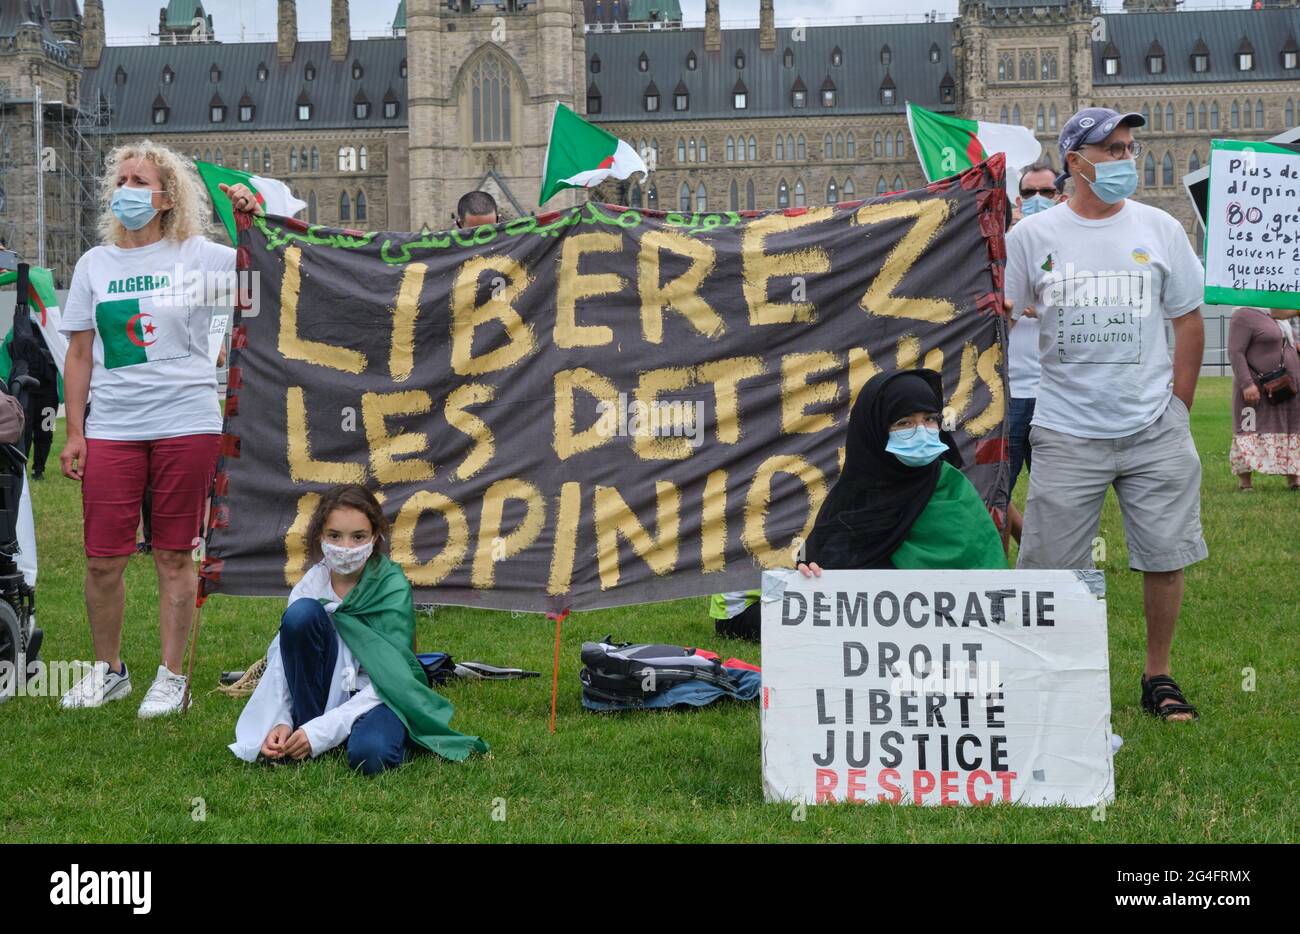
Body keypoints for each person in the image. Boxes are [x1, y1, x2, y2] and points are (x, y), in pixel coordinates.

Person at [1004, 107, 1206, 722]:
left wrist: (1179, 405)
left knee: (1163, 556)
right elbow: (1002, 315)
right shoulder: (1031, 238)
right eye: (1113, 150)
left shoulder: (1160, 227)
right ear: (1076, 162)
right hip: (1066, 429)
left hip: (1153, 425)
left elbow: (1189, 319)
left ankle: (1158, 677)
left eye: (1128, 148)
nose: (1126, 160)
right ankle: (1042, 675)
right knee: (1046, 564)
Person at [56, 141, 237, 716]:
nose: (127, 190)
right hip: (113, 427)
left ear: (166, 198)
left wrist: (245, 211)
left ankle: (172, 675)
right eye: (122, 179)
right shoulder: (94, 265)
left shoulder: (200, 257)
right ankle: (110, 670)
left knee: (173, 555)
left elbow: (270, 266)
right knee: (101, 559)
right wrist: (76, 432)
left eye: (141, 181)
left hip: (186, 421)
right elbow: (80, 354)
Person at [229, 484, 488, 774]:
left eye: (359, 537)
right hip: (322, 694)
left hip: (379, 694)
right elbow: (283, 661)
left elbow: (393, 678)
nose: (346, 548)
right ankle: (304, 727)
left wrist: (322, 732)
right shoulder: (311, 584)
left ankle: (330, 735)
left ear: (375, 537)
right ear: (320, 536)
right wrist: (281, 720)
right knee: (300, 615)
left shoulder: (391, 587)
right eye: (335, 536)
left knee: (372, 756)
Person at [797, 368, 1006, 577]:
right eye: (904, 423)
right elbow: (816, 569)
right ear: (875, 430)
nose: (921, 431)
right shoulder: (852, 503)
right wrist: (809, 571)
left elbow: (992, 583)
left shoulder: (952, 490)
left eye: (930, 419)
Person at [1005, 160, 1067, 542]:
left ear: (1060, 197)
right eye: (1030, 193)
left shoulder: (1073, 250)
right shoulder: (1001, 248)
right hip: (1008, 392)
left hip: (1053, 394)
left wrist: (1037, 305)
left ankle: (1056, 571)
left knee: (1059, 498)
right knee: (995, 493)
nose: (1038, 200)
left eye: (1046, 192)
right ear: (1018, 198)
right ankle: (998, 571)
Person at [1227, 306, 1300, 490]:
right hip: (1256, 387)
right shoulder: (1243, 314)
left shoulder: (1281, 315)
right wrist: (1246, 384)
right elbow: (1236, 352)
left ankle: (1294, 480)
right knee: (1248, 429)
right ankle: (1245, 483)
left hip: (1286, 386)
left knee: (1291, 426)